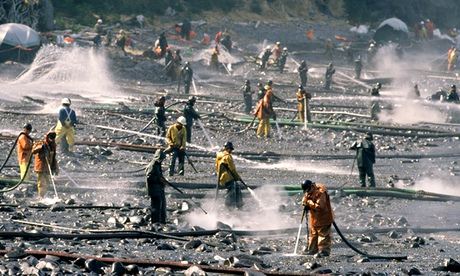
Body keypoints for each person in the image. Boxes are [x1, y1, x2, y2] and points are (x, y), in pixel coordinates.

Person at [301, 180, 334, 257]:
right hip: (315, 219)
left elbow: (320, 206)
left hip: (324, 218)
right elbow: (305, 199)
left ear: (312, 186)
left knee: (323, 235)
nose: (307, 192)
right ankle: (312, 250)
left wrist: (309, 203)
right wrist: (304, 203)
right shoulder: (309, 192)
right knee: (313, 235)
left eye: (308, 190)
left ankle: (324, 251)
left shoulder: (321, 192)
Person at [216, 142, 243, 209]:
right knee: (233, 187)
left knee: (237, 186)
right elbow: (232, 169)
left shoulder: (220, 155)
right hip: (227, 177)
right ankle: (232, 206)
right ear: (227, 148)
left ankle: (237, 205)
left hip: (221, 177)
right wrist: (238, 178)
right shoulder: (227, 156)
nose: (231, 151)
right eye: (230, 149)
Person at [32, 131, 58, 198]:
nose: (51, 139)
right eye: (50, 137)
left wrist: (55, 167)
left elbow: (54, 156)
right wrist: (41, 147)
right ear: (47, 137)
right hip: (40, 167)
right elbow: (33, 151)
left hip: (48, 167)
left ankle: (44, 195)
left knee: (47, 182)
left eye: (53, 137)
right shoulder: (41, 143)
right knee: (41, 183)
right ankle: (41, 196)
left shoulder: (53, 145)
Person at [145, 149, 167, 224]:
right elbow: (149, 178)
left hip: (159, 188)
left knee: (162, 205)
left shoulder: (157, 164)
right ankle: (155, 222)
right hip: (154, 190)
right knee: (156, 207)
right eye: (161, 158)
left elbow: (159, 175)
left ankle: (162, 221)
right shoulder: (152, 165)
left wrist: (163, 180)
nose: (161, 160)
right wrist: (159, 179)